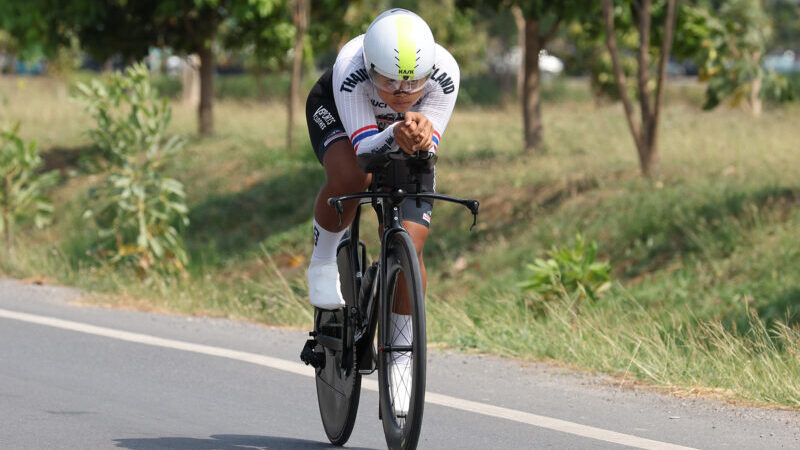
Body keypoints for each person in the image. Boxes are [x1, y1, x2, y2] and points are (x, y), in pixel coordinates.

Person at [304, 8, 459, 415]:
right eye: (388, 80)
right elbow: (366, 151)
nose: (401, 91)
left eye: (413, 82)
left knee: (413, 237)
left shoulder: (445, 75)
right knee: (353, 178)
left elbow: (426, 150)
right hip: (343, 118)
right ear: (370, 67)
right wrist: (397, 130)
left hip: (401, 136)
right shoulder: (351, 70)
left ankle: (401, 354)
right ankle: (322, 263)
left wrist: (420, 136)